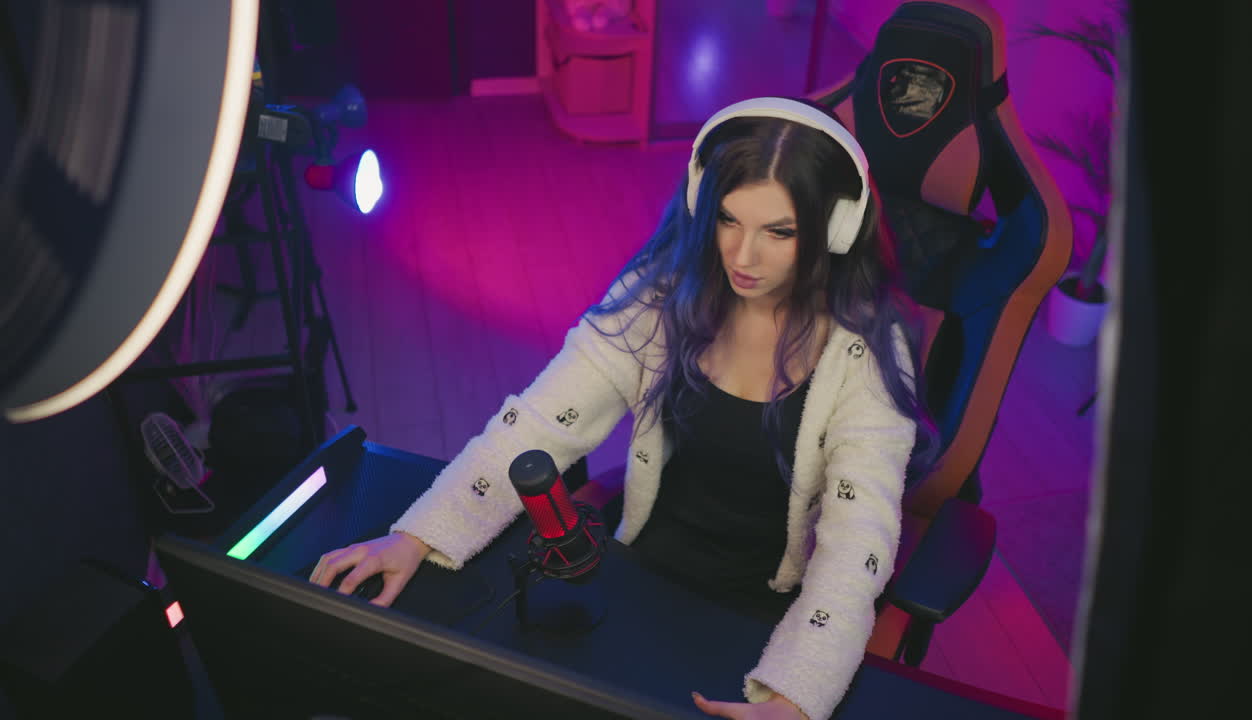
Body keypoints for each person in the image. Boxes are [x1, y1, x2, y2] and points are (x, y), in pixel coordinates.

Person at [310, 96, 936, 720]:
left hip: (766, 614)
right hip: (640, 569)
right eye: (728, 220)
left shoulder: (868, 357)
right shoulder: (661, 297)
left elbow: (857, 542)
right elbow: (539, 420)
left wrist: (796, 698)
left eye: (779, 232)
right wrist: (415, 536)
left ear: (833, 229)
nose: (743, 257)